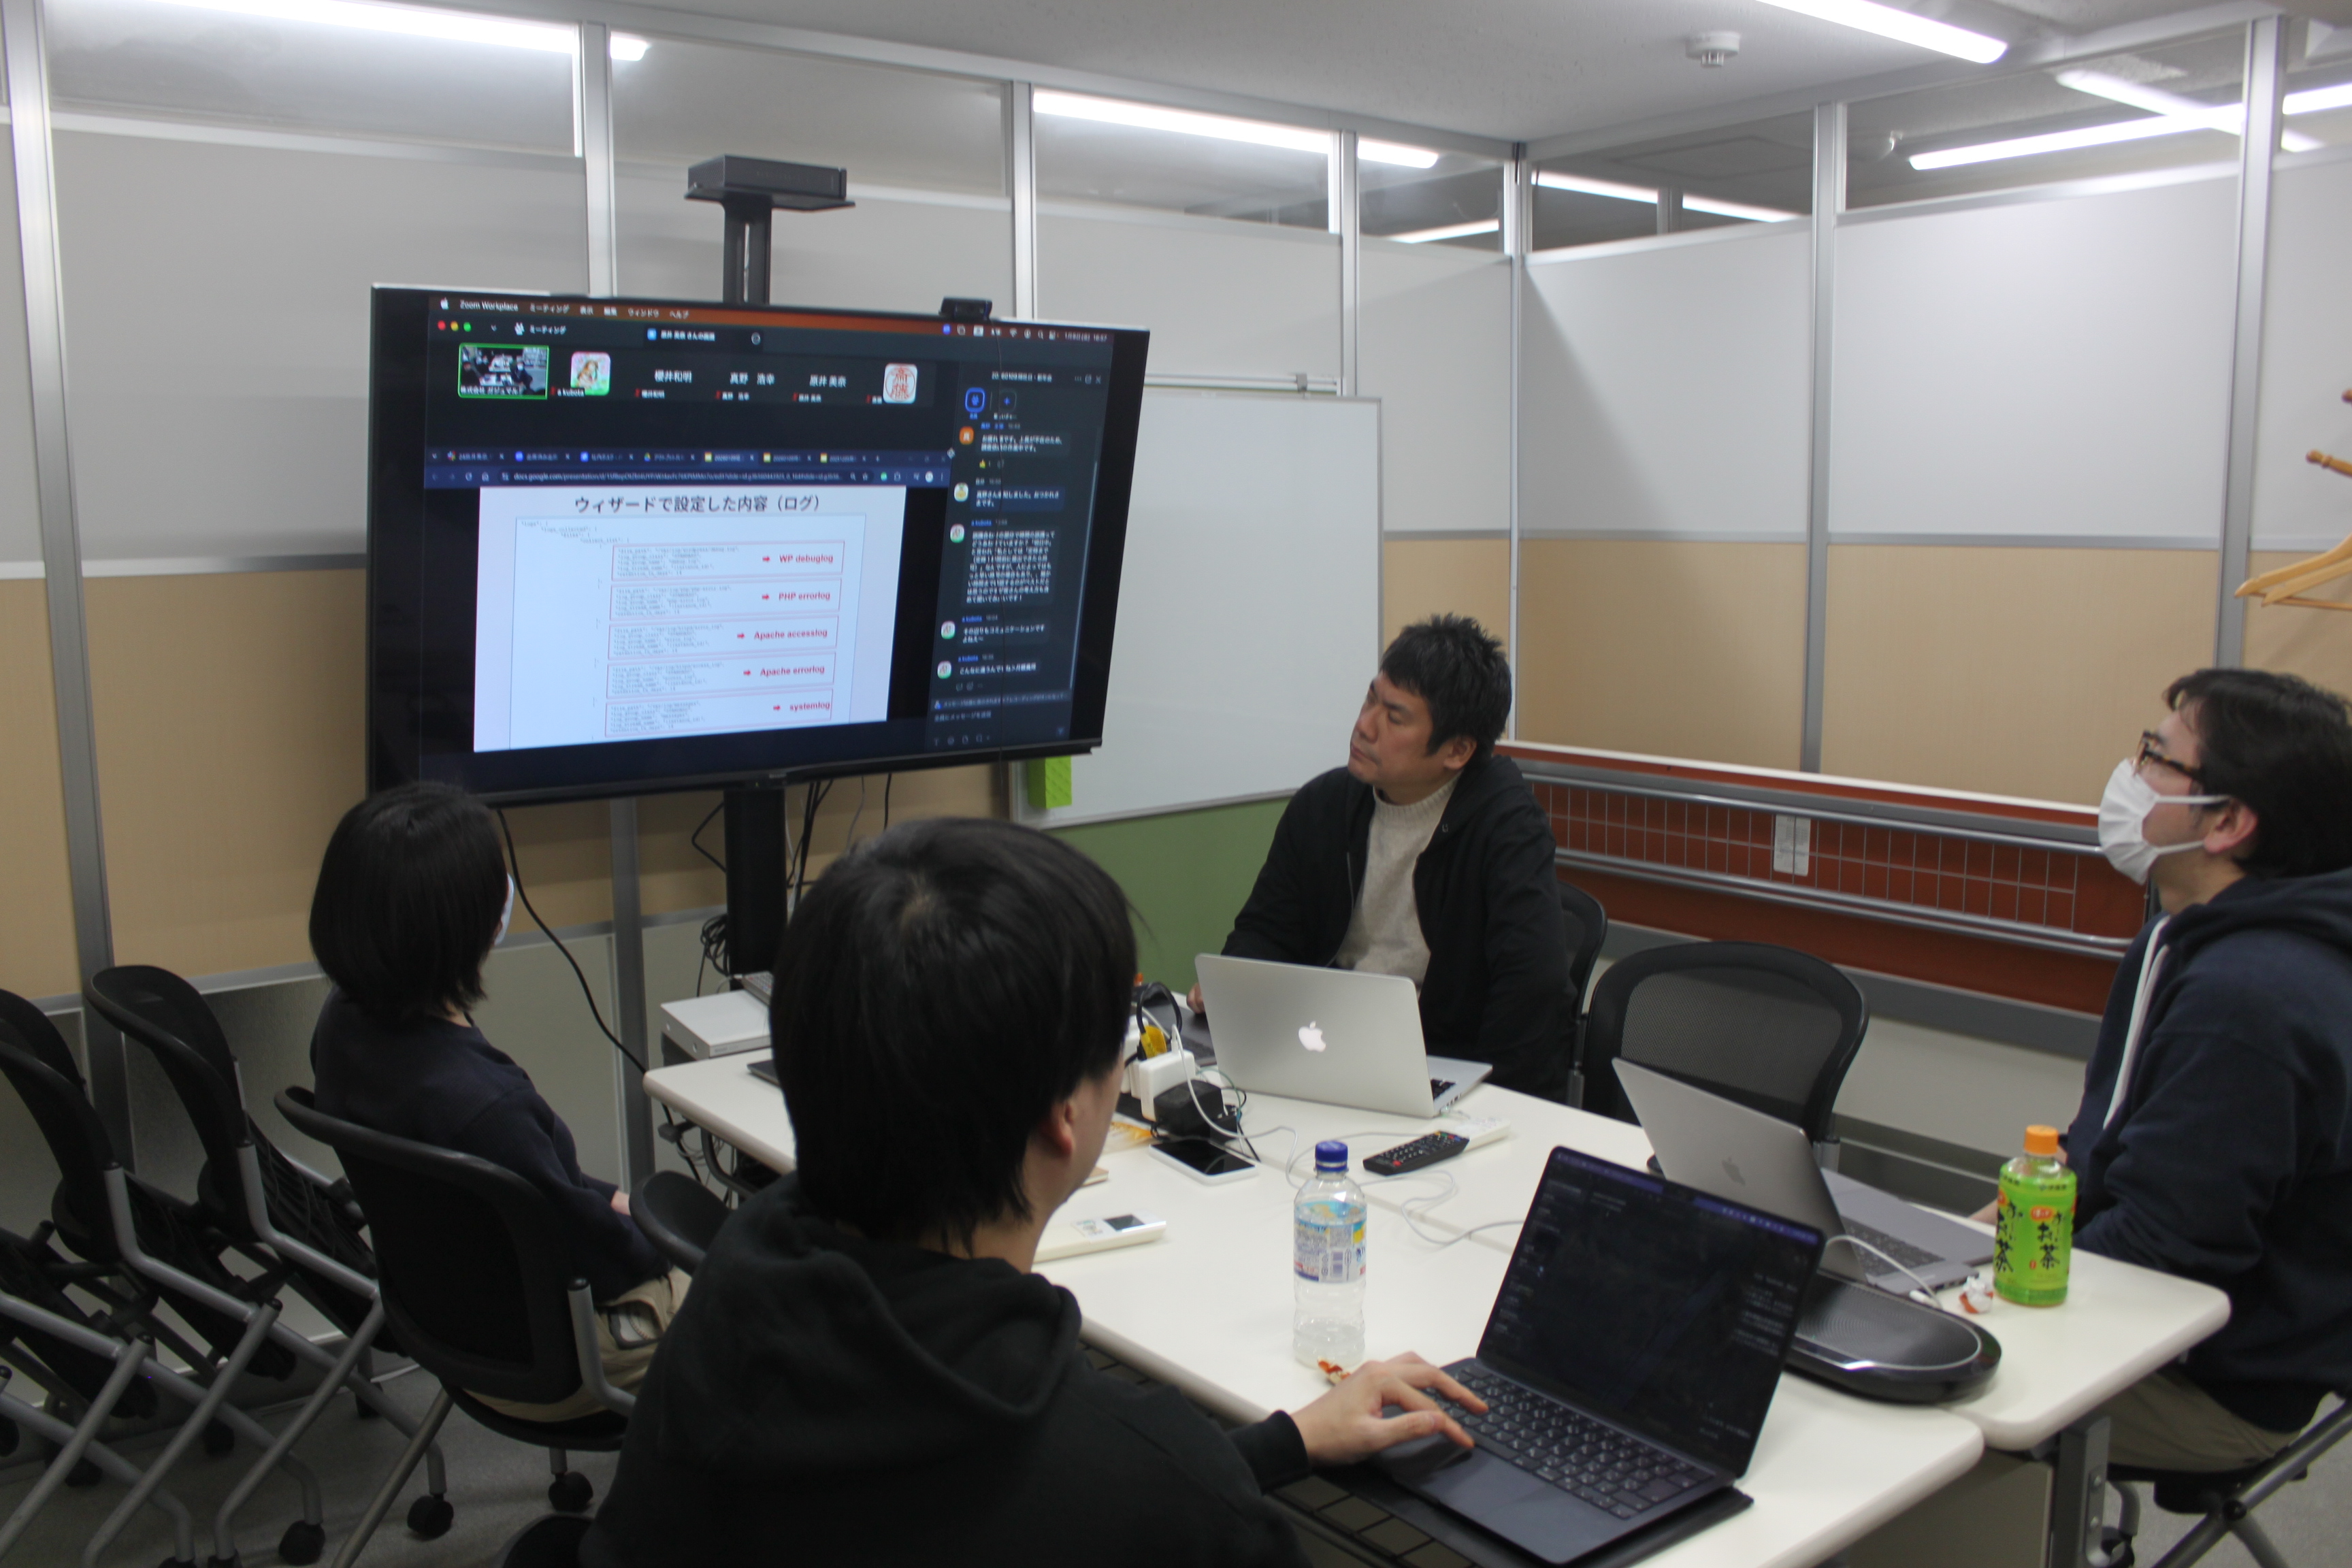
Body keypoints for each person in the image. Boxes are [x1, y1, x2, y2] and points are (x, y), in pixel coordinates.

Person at [583, 818, 1486, 1567]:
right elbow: (1127, 1489)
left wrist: (1282, 1442)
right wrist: (1200, 1471)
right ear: (1067, 1119)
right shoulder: (1156, 1498)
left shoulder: (738, 1293)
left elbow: (1079, 1486)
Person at [306, 782, 685, 1421]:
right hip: (559, 1361)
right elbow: (607, 1260)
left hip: (453, 1330)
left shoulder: (343, 1025)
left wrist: (605, 1202)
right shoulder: (484, 1106)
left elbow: (546, 1199)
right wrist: (665, 1235)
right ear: (463, 925)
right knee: (776, 1298)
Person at [2061, 669, 2352, 1471]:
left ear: (2226, 822)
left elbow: (2163, 1251)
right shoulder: (2189, 937)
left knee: (1872, 1377)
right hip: (2150, 1311)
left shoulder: (2250, 999)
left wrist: (1979, 1293)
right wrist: (1969, 1242)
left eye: (2157, 757)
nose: (2132, 774)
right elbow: (2103, 1153)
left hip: (2209, 1381)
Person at [1192, 615, 1570, 1097]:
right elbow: (1266, 932)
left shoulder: (1507, 828)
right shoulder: (1325, 805)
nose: (1364, 726)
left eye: (1395, 717)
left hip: (1439, 1067)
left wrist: (1496, 1104)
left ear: (1457, 750)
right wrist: (1233, 989)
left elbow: (1532, 991)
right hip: (1324, 1049)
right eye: (1371, 698)